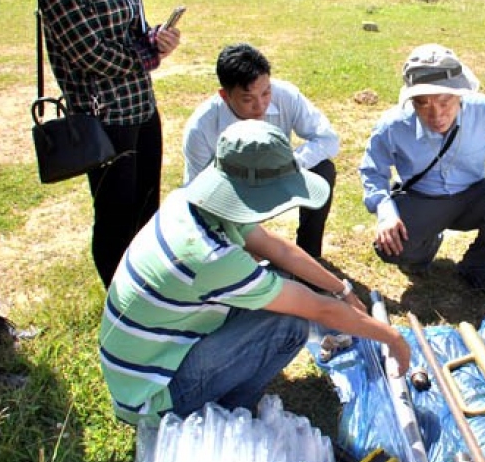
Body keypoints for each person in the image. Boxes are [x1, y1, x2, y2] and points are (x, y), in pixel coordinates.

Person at [99, 120, 410, 426]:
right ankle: (229, 412)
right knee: (289, 323)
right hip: (152, 400)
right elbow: (318, 308)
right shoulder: (211, 256)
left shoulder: (191, 201)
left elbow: (280, 250)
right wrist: (392, 338)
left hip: (143, 369)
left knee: (280, 285)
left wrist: (341, 290)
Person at [35, 0, 181, 288]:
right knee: (116, 216)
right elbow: (89, 54)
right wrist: (147, 53)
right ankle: (122, 304)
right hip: (103, 117)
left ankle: (152, 291)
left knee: (147, 209)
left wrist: (157, 38)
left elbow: (135, 34)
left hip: (142, 105)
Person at [359, 43, 485, 291]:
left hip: (473, 194)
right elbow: (372, 170)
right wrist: (385, 211)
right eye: (423, 104)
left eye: (445, 102)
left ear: (460, 94)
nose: (436, 115)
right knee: (390, 247)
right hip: (423, 198)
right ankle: (422, 249)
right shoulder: (392, 125)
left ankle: (479, 267)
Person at [182, 43, 339, 258]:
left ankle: (309, 254)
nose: (260, 105)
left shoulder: (286, 96)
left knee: (324, 169)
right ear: (225, 95)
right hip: (232, 195)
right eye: (248, 99)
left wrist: (288, 163)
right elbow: (198, 194)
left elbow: (328, 139)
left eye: (266, 93)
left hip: (280, 178)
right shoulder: (201, 128)